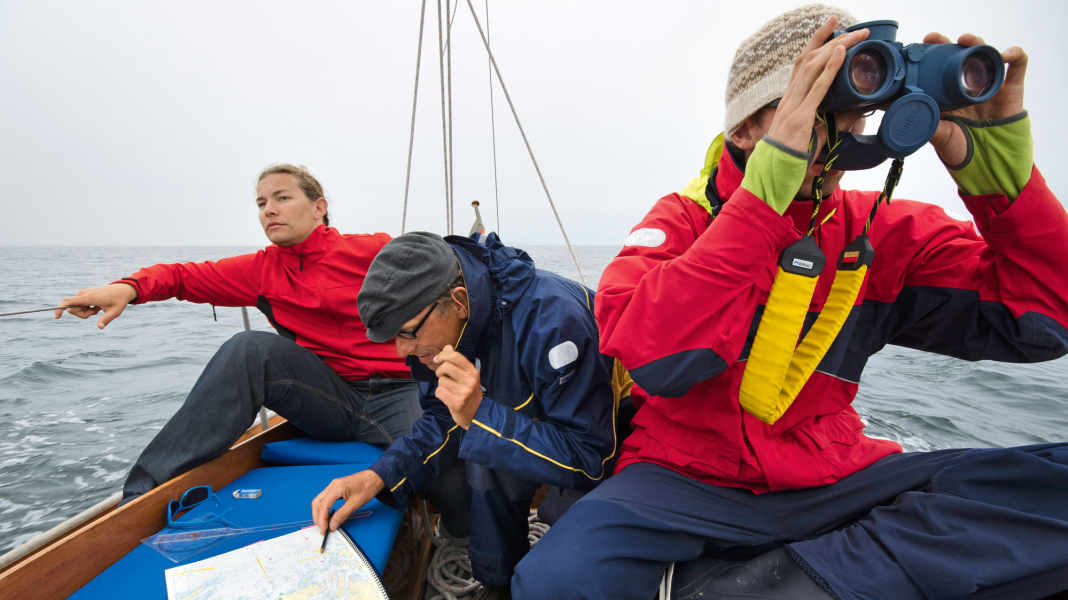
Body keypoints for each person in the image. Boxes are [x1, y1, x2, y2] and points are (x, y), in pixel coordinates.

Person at [513, 5, 1068, 599]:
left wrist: (1005, 188)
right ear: (746, 129)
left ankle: (778, 580)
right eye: (806, 110)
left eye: (847, 115)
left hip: (832, 470)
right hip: (686, 477)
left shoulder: (876, 229)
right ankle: (821, 575)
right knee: (555, 581)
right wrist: (761, 206)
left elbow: (1041, 319)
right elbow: (656, 359)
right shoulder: (681, 221)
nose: (833, 133)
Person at [55, 164, 420, 501]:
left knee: (437, 465)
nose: (269, 210)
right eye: (261, 203)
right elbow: (182, 277)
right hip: (329, 399)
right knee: (249, 348)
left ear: (318, 207)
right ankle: (146, 497)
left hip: (401, 391)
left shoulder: (374, 251)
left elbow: (448, 279)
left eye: (282, 198)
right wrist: (129, 288)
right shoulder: (262, 270)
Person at [311, 231, 624, 598]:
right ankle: (497, 582)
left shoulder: (555, 320)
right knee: (482, 445)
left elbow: (592, 458)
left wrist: (480, 414)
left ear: (459, 301)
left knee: (558, 574)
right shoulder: (434, 341)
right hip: (532, 433)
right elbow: (442, 420)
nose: (401, 352)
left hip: (607, 445)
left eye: (406, 333)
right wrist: (379, 476)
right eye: (391, 338)